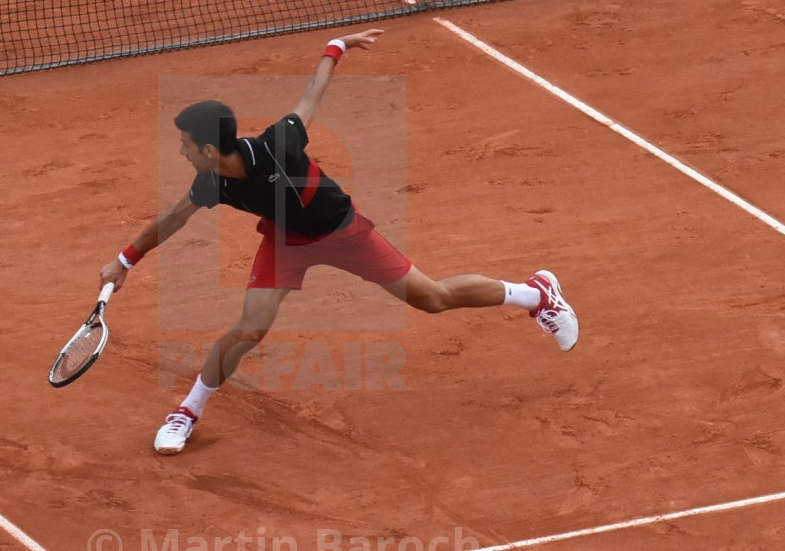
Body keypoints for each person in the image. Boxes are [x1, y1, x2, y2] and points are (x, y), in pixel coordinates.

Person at [100, 29, 578, 455]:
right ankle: (187, 410)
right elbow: (173, 219)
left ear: (207, 149)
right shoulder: (212, 182)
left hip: (342, 232)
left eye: (185, 144)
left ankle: (537, 294)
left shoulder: (276, 146)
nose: (180, 151)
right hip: (287, 240)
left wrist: (336, 49)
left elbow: (310, 96)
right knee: (249, 329)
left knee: (433, 298)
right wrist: (125, 260)